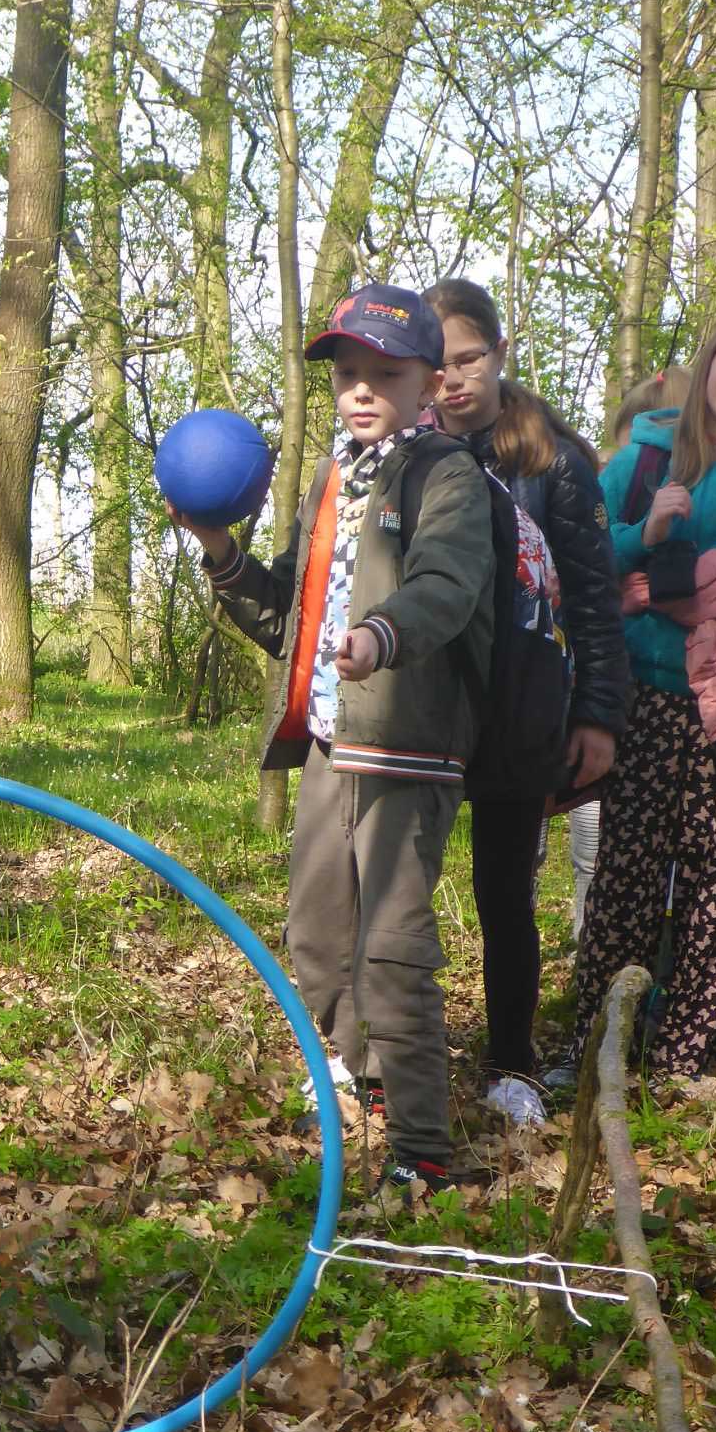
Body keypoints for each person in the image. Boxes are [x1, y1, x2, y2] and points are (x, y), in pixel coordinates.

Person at [166, 284, 495, 1193]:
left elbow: (446, 586)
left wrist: (379, 634)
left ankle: (424, 1149)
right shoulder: (331, 480)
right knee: (317, 939)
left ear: (428, 382)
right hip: (324, 746)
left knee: (391, 947)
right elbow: (292, 622)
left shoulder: (448, 475)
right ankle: (362, 1087)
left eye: (383, 375)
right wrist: (221, 553)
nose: (360, 390)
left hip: (406, 749)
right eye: (347, 374)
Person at [423, 280, 631, 1126]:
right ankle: (388, 1055)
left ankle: (511, 1060)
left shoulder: (551, 459)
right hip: (428, 710)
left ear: (500, 355)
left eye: (469, 358)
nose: (453, 380)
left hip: (522, 716)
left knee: (505, 893)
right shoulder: (406, 453)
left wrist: (598, 716)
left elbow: (593, 599)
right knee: (398, 885)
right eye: (435, 366)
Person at [562, 313, 716, 1083]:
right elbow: (579, 556)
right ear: (709, 363)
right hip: (648, 697)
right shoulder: (642, 459)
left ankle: (686, 1059)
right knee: (626, 879)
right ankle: (595, 1048)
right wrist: (645, 532)